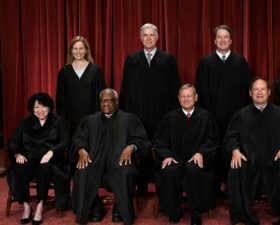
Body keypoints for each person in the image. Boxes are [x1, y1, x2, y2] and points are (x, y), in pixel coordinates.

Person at [224, 78, 280, 225]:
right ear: (250, 93)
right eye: (256, 89)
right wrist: (235, 150)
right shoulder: (241, 114)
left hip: (274, 161)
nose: (259, 93)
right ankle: (240, 217)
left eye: (263, 89)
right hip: (249, 161)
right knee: (236, 168)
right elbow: (231, 136)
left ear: (269, 92)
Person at [71, 88, 151, 225]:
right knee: (81, 172)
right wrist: (81, 149)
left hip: (119, 162)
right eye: (102, 101)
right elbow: (78, 139)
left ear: (117, 102)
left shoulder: (129, 119)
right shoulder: (90, 121)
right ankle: (95, 207)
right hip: (95, 162)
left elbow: (141, 139)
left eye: (109, 101)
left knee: (127, 172)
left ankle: (119, 208)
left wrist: (131, 147)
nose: (105, 104)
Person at [119, 23, 180, 194]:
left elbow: (174, 89)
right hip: (138, 115)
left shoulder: (168, 60)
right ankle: (141, 187)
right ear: (140, 38)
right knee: (139, 149)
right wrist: (127, 116)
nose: (148, 38)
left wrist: (171, 116)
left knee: (161, 150)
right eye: (145, 35)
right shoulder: (132, 60)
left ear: (157, 37)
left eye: (151, 35)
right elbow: (126, 89)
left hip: (161, 114)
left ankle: (162, 188)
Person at [195, 24, 251, 192]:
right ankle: (212, 185)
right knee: (213, 149)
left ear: (231, 40)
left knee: (233, 146)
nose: (222, 40)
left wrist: (242, 116)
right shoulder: (206, 63)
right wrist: (205, 116)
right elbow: (201, 90)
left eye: (226, 37)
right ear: (214, 40)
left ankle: (232, 185)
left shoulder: (240, 62)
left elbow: (245, 91)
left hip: (235, 116)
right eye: (219, 37)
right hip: (212, 115)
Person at [153, 84, 220, 225]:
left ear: (196, 98)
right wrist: (167, 155)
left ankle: (196, 212)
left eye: (189, 96)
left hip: (196, 161)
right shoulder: (170, 117)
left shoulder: (205, 116)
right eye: (182, 96)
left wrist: (201, 153)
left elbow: (212, 140)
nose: (186, 99)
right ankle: (174, 210)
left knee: (193, 170)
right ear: (178, 98)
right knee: (169, 172)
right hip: (175, 159)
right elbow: (159, 142)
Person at [7, 92, 69, 225]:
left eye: (43, 107)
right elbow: (12, 142)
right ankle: (26, 206)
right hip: (30, 157)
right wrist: (17, 154)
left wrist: (51, 152)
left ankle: (40, 205)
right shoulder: (26, 122)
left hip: (49, 158)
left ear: (49, 107)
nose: (40, 110)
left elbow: (65, 141)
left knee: (45, 168)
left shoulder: (58, 121)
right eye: (36, 107)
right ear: (32, 109)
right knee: (19, 167)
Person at [56, 36, 105, 136]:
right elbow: (61, 98)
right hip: (71, 120)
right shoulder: (64, 71)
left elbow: (101, 97)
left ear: (86, 50)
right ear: (71, 51)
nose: (78, 51)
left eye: (81, 48)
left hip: (92, 118)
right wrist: (64, 121)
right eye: (75, 48)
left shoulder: (95, 70)